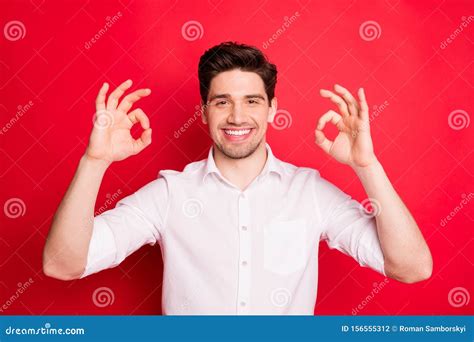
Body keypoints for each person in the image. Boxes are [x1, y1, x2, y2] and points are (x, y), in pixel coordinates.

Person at [43, 41, 432, 315]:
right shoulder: (170, 193)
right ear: (204, 111)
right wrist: (94, 161)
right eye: (222, 101)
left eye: (252, 101)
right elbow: (63, 265)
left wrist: (367, 166)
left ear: (271, 108)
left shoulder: (309, 192)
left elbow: (412, 268)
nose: (237, 117)